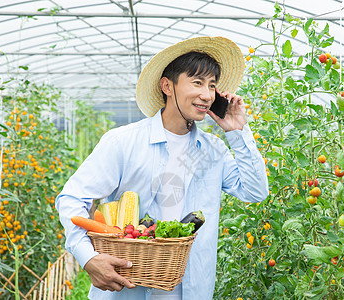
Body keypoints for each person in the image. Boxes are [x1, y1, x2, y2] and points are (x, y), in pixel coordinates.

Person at [56, 36, 268, 300]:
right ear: (167, 86)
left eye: (212, 86)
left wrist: (238, 132)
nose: (207, 94)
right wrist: (88, 258)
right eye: (198, 82)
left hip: (192, 290)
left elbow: (256, 191)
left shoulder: (214, 150)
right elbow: (72, 198)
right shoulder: (123, 142)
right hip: (127, 287)